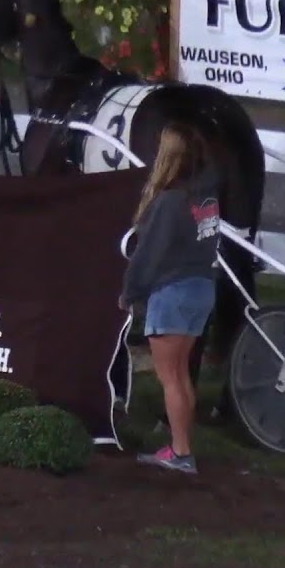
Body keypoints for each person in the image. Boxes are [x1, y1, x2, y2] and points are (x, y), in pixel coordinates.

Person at [118, 121, 221, 475]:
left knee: (170, 378)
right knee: (181, 374)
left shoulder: (169, 201)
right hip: (202, 289)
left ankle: (180, 453)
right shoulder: (206, 196)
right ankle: (181, 447)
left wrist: (130, 292)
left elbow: (149, 254)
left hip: (173, 292)